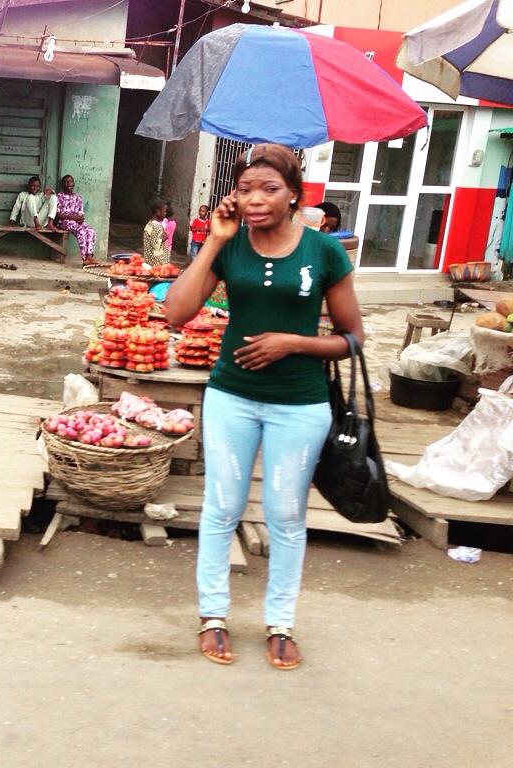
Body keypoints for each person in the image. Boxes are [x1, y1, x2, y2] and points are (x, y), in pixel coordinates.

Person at [163, 143, 363, 671]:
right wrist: (213, 240)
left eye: (269, 189)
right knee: (221, 508)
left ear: (294, 194)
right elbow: (175, 313)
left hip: (300, 404)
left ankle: (280, 623)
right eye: (245, 189)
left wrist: (292, 343)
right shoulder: (230, 246)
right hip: (231, 397)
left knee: (286, 515)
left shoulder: (324, 252)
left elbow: (353, 339)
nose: (255, 199)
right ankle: (212, 615)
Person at [54, 174, 98, 266]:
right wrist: (72, 218)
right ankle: (84, 259)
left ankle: (89, 257)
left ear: (74, 184)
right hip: (64, 221)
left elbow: (80, 213)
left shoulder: (78, 197)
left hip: (76, 222)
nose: (69, 183)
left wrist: (81, 219)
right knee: (81, 231)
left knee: (91, 231)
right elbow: (57, 215)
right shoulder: (59, 197)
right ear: (62, 185)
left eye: (71, 181)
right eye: (66, 182)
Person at [142, 199, 172, 266]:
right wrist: (165, 237)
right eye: (164, 211)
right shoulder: (157, 226)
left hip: (149, 259)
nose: (165, 214)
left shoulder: (149, 224)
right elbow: (156, 244)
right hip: (156, 262)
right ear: (158, 212)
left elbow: (152, 239)